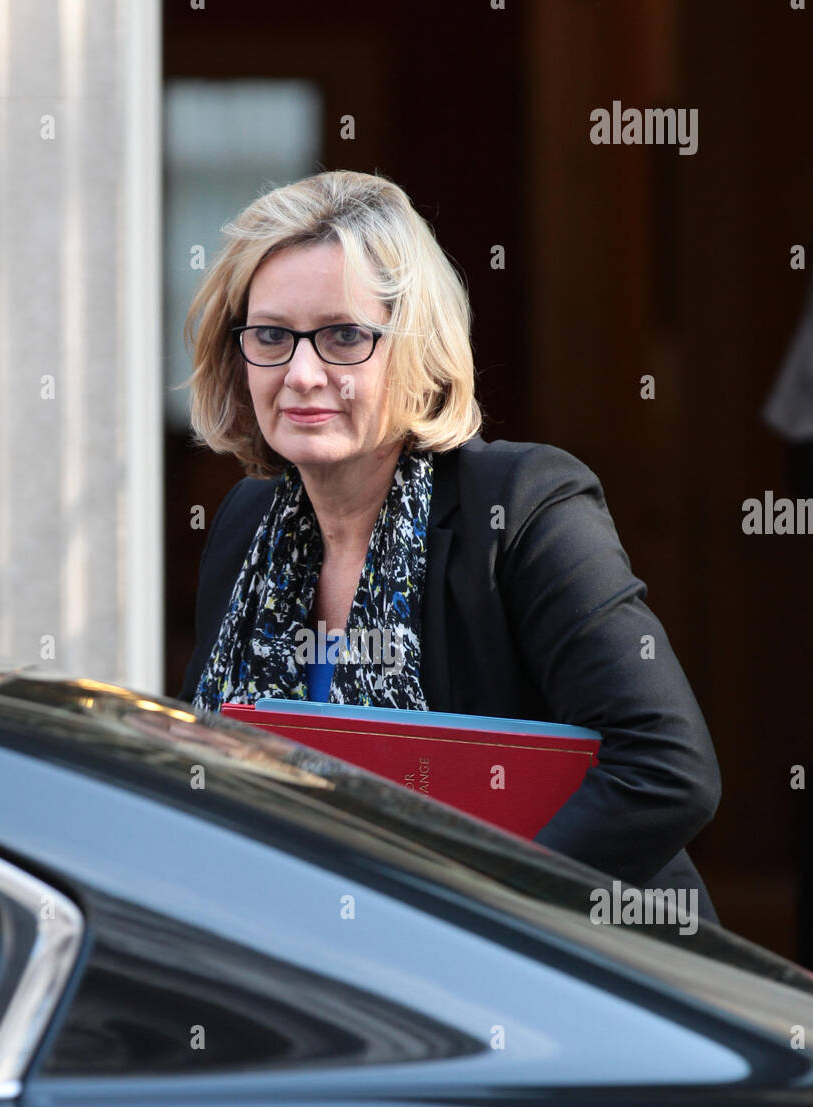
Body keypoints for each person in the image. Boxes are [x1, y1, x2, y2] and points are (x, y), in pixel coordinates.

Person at [178, 169, 722, 921]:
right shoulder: (245, 523)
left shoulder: (526, 504)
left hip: (571, 969)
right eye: (271, 336)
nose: (302, 374)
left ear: (412, 350)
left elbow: (666, 769)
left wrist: (470, 914)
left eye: (343, 337)